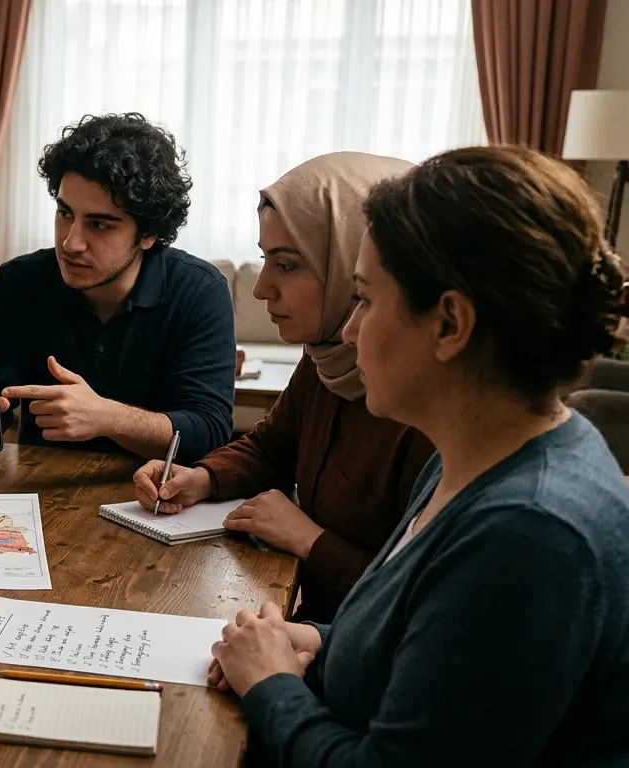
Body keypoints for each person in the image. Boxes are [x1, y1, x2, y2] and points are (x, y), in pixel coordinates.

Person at [209, 146, 629, 765]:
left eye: (365, 300)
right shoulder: (471, 458)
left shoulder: (528, 533)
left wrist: (271, 685)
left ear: (450, 325)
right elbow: (421, 644)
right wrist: (317, 641)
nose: (349, 331)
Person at [132, 153, 433, 622]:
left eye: (288, 265)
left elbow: (424, 604)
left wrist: (311, 541)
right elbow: (273, 446)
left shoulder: (430, 406)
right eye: (265, 259)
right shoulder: (326, 358)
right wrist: (203, 478)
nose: (261, 289)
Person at [0, 113, 235, 463]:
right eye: (64, 213)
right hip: (42, 485)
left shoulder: (199, 291)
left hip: (156, 490)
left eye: (99, 225)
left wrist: (107, 418)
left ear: (149, 234)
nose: (70, 243)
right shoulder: (17, 283)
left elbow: (208, 432)